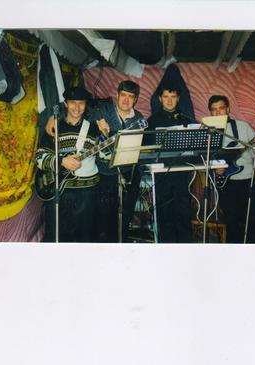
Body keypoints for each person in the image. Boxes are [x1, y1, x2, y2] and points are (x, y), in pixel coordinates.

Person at [45, 80, 145, 242]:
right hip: (103, 173)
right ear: (117, 95)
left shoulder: (139, 119)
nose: (126, 100)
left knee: (122, 218)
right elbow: (75, 105)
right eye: (123, 95)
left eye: (131, 97)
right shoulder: (102, 110)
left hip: (125, 171)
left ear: (136, 99)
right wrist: (52, 116)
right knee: (99, 221)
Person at [36, 86, 100, 242]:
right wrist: (61, 161)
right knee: (56, 237)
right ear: (65, 104)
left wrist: (109, 138)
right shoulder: (54, 127)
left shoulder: (94, 128)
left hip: (88, 192)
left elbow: (105, 157)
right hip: (59, 192)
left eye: (81, 103)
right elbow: (39, 157)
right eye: (72, 103)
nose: (77, 108)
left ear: (86, 105)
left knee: (85, 238)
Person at [208, 95, 255, 243]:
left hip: (247, 181)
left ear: (228, 109)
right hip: (226, 184)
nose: (218, 112)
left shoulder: (243, 126)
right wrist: (214, 168)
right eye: (214, 110)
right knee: (232, 224)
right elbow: (204, 157)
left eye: (221, 108)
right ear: (210, 112)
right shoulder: (207, 131)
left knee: (252, 222)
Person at [146, 86, 193, 243]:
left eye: (173, 96)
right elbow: (147, 150)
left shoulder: (186, 120)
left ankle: (186, 250)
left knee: (183, 213)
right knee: (165, 215)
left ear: (178, 98)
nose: (169, 100)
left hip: (181, 174)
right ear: (160, 99)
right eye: (166, 96)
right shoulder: (151, 121)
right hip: (162, 176)